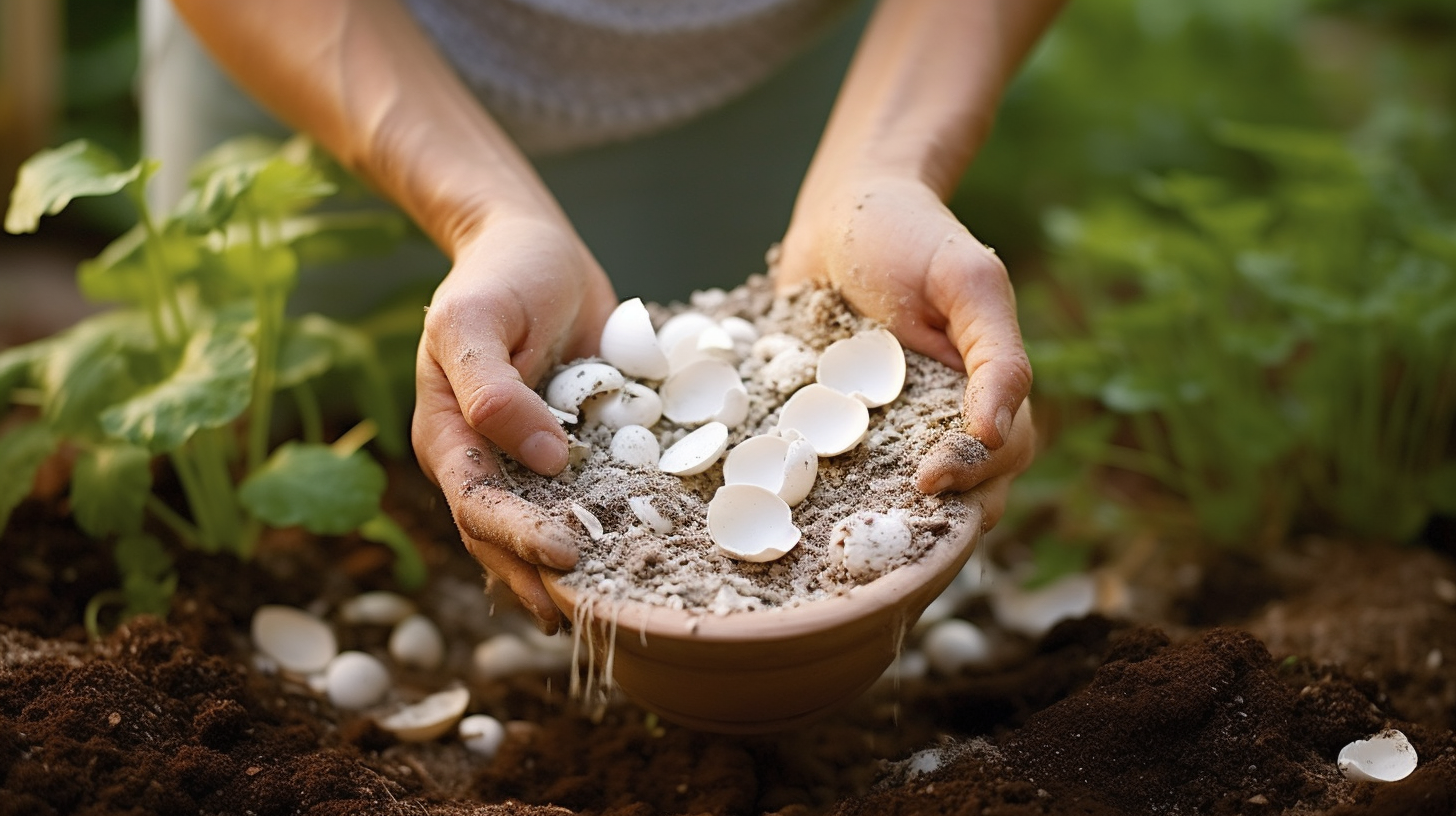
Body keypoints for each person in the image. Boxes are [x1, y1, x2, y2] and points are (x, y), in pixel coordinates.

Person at [168, 0, 1059, 633]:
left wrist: (883, 168)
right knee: (318, 444)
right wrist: (485, 220)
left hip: (803, 77)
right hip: (331, 53)